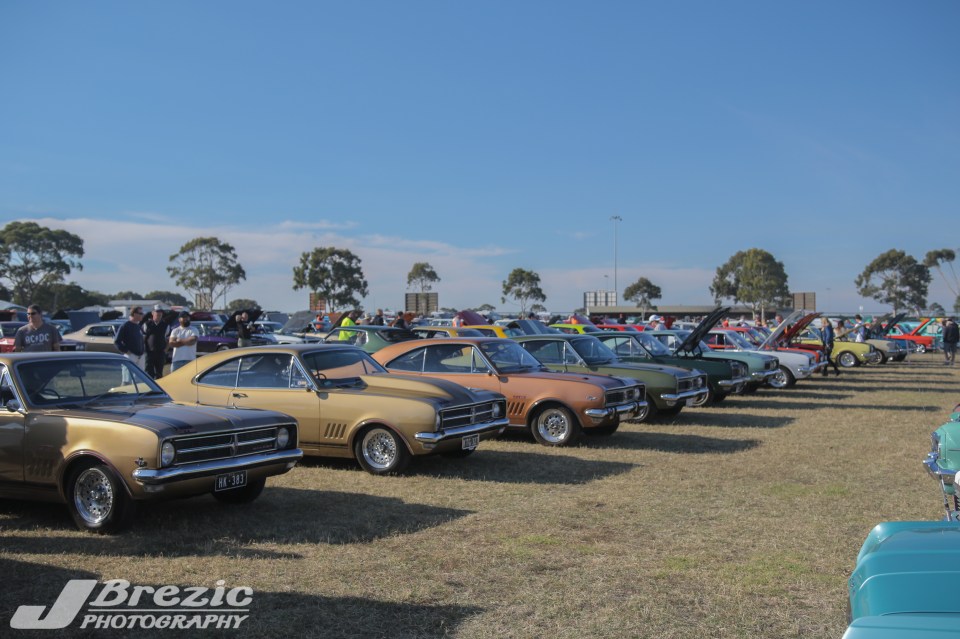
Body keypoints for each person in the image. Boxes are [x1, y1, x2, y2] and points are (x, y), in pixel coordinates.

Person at [142, 305, 170, 378]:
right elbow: (143, 339)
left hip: (160, 353)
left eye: (160, 312)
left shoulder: (166, 325)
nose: (159, 313)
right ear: (152, 313)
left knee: (159, 374)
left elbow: (168, 340)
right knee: (148, 373)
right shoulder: (146, 324)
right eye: (157, 311)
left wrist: (165, 350)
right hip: (149, 353)